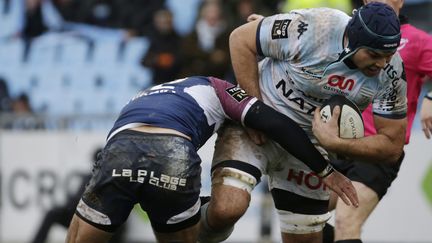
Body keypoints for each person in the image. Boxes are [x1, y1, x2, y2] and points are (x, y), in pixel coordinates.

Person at [199, 2, 407, 243]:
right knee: (227, 209)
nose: (381, 63)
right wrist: (256, 114)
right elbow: (240, 39)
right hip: (259, 127)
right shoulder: (314, 28)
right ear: (353, 40)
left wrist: (336, 144)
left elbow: (392, 146)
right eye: (373, 55)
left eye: (387, 56)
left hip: (309, 148)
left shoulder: (392, 72)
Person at [65, 76, 358, 243]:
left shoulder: (146, 94)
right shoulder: (216, 87)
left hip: (120, 148)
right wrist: (325, 170)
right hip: (172, 151)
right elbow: (277, 125)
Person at [322, 1, 432, 242]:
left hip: (376, 152)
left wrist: (430, 98)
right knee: (306, 222)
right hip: (336, 145)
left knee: (345, 221)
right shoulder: (347, 33)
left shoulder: (419, 40)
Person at [31, 147, 126, 243]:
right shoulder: (89, 177)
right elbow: (76, 202)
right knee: (52, 213)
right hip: (86, 218)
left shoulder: (113, 179)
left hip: (104, 223)